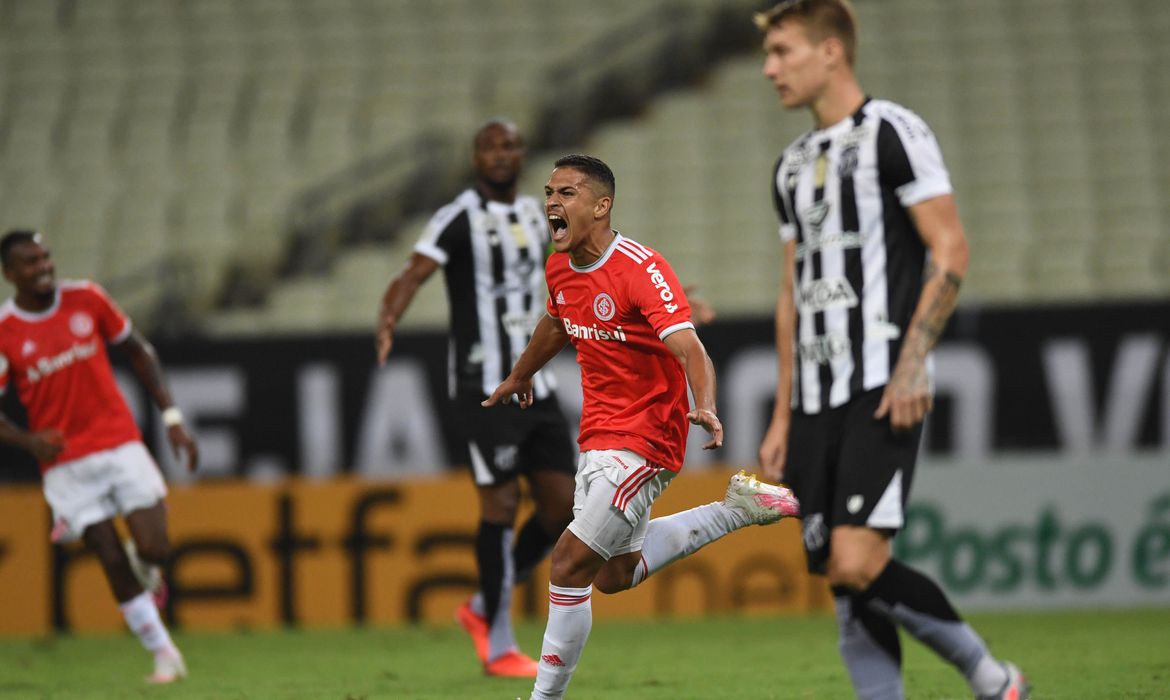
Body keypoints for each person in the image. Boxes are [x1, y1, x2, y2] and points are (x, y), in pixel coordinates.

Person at [753, 2, 1028, 699]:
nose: (770, 68)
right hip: (813, 399)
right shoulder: (790, 168)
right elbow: (792, 295)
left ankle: (992, 678)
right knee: (845, 584)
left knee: (855, 559)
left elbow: (950, 247)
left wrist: (912, 364)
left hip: (879, 381)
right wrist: (783, 415)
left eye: (783, 51)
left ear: (831, 52)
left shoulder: (894, 133)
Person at [482, 154, 800, 700]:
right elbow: (557, 323)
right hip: (600, 437)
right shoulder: (559, 267)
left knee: (566, 563)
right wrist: (519, 374)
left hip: (647, 437)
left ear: (601, 206)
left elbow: (690, 348)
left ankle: (543, 699)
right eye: (550, 192)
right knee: (612, 574)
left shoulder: (640, 269)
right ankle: (737, 509)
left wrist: (707, 404)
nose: (552, 203)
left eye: (568, 193)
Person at [375, 119, 577, 678]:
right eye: (490, 146)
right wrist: (389, 315)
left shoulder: (542, 216)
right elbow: (413, 273)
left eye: (510, 145)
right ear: (475, 157)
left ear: (521, 154)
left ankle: (482, 604)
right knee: (501, 505)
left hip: (538, 380)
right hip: (482, 384)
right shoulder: (458, 216)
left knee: (565, 507)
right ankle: (499, 644)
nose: (500, 154)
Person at [0, 229, 198, 684]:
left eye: (46, 257)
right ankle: (164, 653)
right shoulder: (5, 331)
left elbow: (139, 351)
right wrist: (29, 442)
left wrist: (171, 417)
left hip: (119, 442)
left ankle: (146, 564)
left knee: (154, 548)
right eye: (30, 262)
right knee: (110, 558)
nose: (44, 266)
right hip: (65, 464)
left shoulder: (87, 299)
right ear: (10, 274)